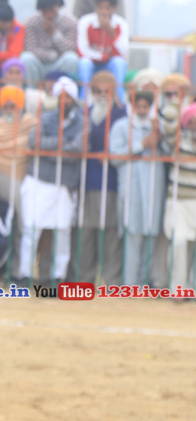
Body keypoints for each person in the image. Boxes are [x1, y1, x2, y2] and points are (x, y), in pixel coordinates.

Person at [15, 76, 83, 285]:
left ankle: (58, 276)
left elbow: (79, 148)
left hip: (64, 184)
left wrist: (49, 150)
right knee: (31, 229)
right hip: (39, 180)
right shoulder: (44, 118)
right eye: (60, 97)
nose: (64, 101)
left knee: (62, 231)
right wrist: (62, 144)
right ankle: (25, 274)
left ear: (73, 99)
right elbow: (34, 142)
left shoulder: (82, 122)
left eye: (67, 97)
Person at [71, 70, 125, 285]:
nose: (102, 95)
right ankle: (84, 280)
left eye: (107, 91)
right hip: (86, 180)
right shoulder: (84, 113)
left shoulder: (122, 114)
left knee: (111, 233)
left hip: (112, 181)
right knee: (85, 233)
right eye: (98, 91)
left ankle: (111, 281)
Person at [110, 89, 168, 286]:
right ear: (132, 106)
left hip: (154, 189)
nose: (142, 110)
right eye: (139, 106)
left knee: (151, 235)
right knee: (132, 235)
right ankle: (129, 285)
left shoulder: (158, 127)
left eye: (146, 107)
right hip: (131, 188)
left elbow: (170, 154)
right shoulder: (121, 126)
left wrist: (160, 135)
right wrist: (141, 144)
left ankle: (143, 285)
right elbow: (115, 157)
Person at [14, 0, 76, 86]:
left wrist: (53, 33)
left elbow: (71, 48)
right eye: (44, 11)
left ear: (58, 6)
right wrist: (54, 55)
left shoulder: (69, 22)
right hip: (39, 64)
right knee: (26, 58)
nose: (48, 15)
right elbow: (30, 49)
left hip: (59, 64)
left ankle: (64, 91)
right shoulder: (31, 22)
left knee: (72, 59)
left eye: (51, 10)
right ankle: (32, 91)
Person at [165, 104, 196, 292]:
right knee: (178, 242)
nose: (194, 126)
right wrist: (179, 100)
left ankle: (192, 287)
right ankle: (178, 287)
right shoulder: (178, 142)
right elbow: (168, 121)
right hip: (178, 203)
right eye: (190, 122)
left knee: (193, 247)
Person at [77, 0, 128, 98]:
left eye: (108, 8)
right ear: (96, 8)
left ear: (114, 9)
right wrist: (102, 57)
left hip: (110, 64)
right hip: (92, 63)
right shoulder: (85, 22)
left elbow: (123, 52)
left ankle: (119, 102)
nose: (104, 12)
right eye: (101, 7)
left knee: (119, 63)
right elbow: (82, 51)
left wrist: (110, 31)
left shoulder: (121, 23)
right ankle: (83, 101)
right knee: (84, 63)